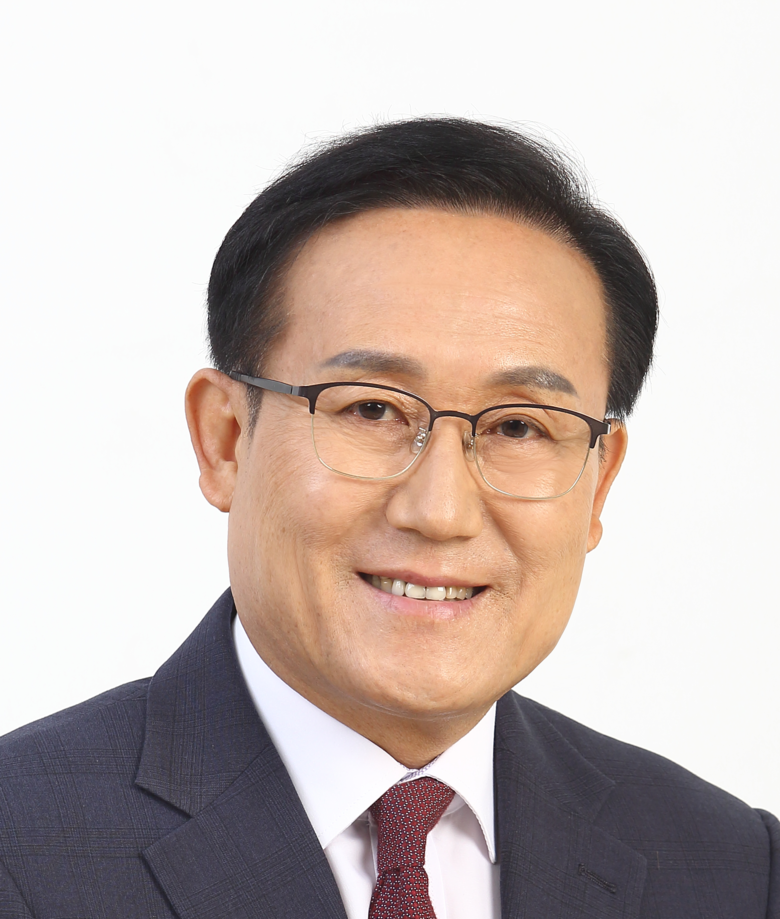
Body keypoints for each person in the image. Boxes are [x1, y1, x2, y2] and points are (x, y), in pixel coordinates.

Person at [0, 118, 776, 919]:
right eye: (371, 409)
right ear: (224, 439)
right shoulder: (22, 849)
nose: (440, 511)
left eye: (518, 426)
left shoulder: (732, 870)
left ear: (599, 481)